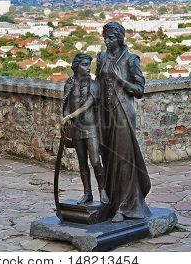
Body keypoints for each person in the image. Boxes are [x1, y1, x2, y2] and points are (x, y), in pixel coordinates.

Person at [96, 22, 151, 222]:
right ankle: (111, 202)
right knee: (108, 158)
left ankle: (125, 205)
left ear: (119, 38)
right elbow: (97, 85)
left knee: (123, 158)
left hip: (122, 114)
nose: (107, 41)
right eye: (105, 38)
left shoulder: (130, 59)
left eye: (111, 38)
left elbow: (139, 90)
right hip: (104, 113)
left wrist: (121, 80)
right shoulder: (101, 57)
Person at [62, 53, 109, 205]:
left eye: (89, 65)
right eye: (84, 65)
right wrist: (64, 118)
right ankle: (87, 193)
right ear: (76, 66)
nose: (88, 68)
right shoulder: (69, 83)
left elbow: (87, 105)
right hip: (76, 128)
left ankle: (103, 191)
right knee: (82, 162)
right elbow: (66, 104)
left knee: (95, 161)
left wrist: (70, 116)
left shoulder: (94, 85)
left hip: (90, 127)